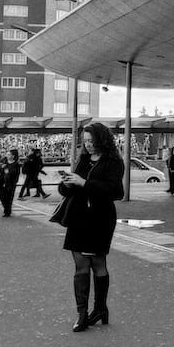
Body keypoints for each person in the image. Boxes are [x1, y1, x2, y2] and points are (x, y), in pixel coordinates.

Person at [58, 123, 125, 332]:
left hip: (100, 218)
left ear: (101, 140)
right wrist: (67, 184)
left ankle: (100, 308)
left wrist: (84, 183)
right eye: (85, 141)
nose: (87, 145)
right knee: (80, 265)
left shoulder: (114, 162)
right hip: (78, 216)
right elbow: (68, 190)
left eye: (91, 140)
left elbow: (116, 191)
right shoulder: (84, 160)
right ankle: (81, 313)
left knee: (98, 263)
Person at [0, 149, 21, 217]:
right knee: (1, 196)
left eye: (9, 154)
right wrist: (2, 168)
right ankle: (6, 208)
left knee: (9, 197)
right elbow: (1, 171)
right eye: (7, 154)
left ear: (13, 156)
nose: (7, 156)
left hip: (11, 183)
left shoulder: (16, 164)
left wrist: (8, 171)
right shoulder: (5, 162)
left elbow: (15, 173)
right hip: (3, 182)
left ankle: (7, 211)